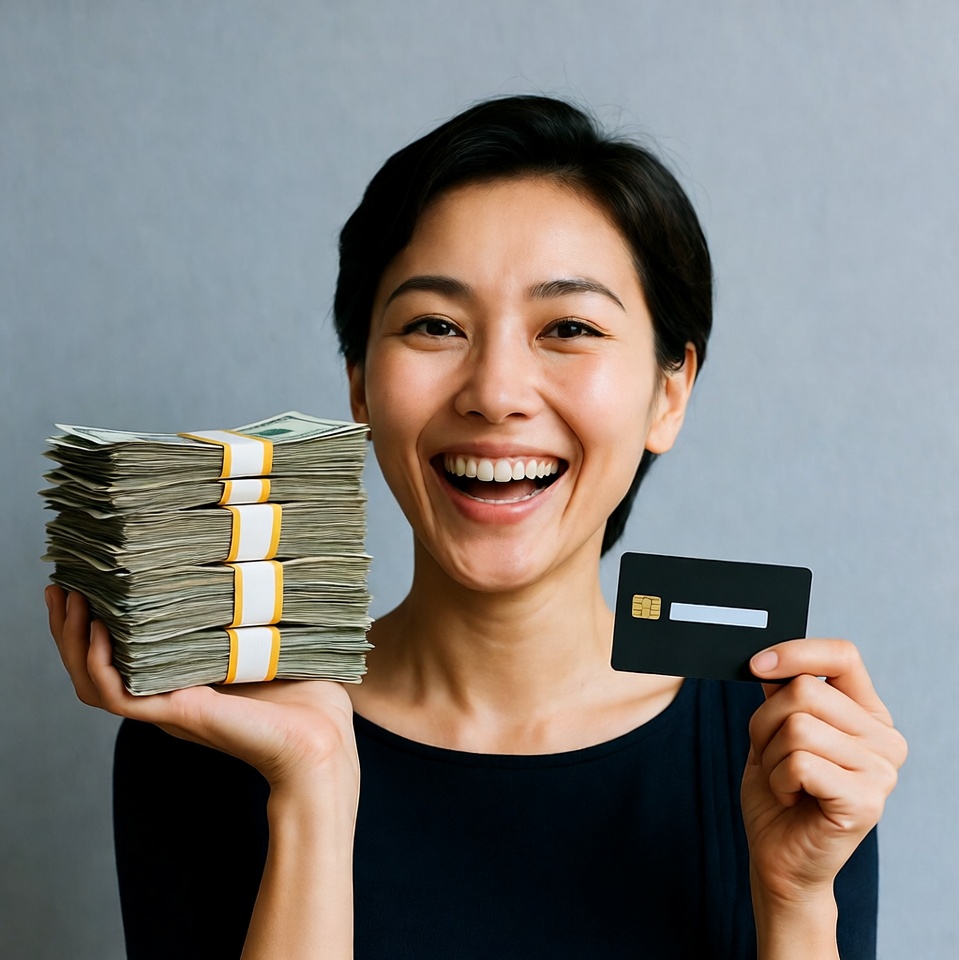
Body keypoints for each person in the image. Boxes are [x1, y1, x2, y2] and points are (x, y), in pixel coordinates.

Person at [47, 95, 907, 959]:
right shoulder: (213, 742)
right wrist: (311, 787)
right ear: (359, 385)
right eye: (435, 326)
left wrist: (797, 901)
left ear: (669, 391)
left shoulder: (789, 752)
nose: (495, 391)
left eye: (568, 327)